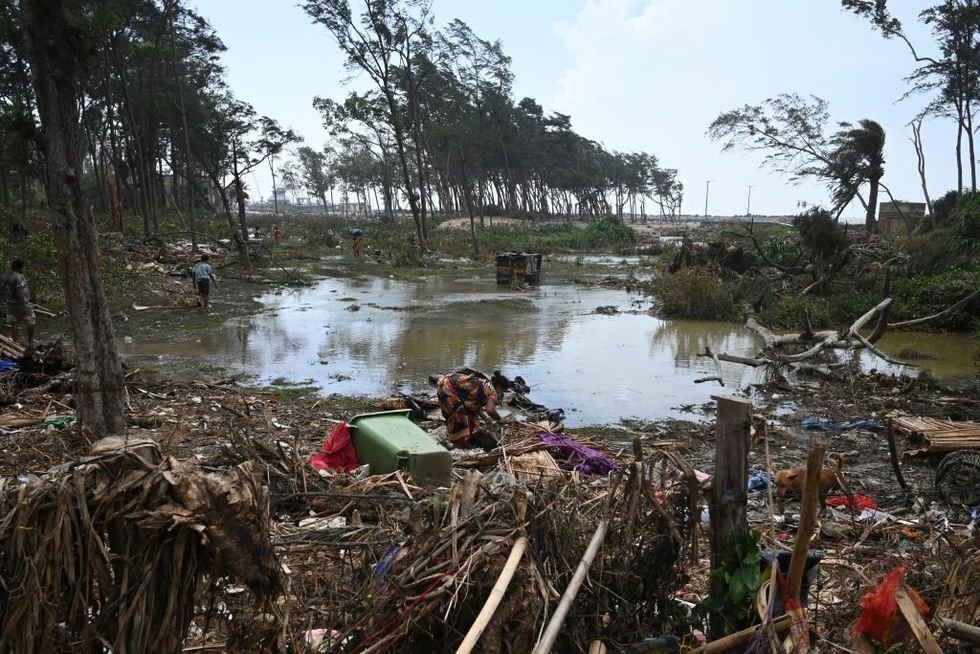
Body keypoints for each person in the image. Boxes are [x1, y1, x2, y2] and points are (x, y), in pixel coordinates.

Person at [436, 370, 502, 447]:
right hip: (448, 390)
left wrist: (486, 418)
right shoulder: (492, 391)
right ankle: (457, 444)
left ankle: (461, 441)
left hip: (445, 385)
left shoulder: (486, 384)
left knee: (469, 416)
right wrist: (500, 420)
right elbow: (490, 410)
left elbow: (473, 406)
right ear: (499, 388)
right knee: (458, 417)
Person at [2, 259, 35, 346]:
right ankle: (30, 341)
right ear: (20, 268)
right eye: (23, 267)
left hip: (10, 304)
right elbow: (19, 290)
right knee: (31, 320)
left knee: (14, 322)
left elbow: (3, 290)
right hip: (20, 303)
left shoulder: (6, 276)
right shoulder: (18, 277)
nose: (23, 269)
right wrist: (24, 303)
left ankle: (15, 341)